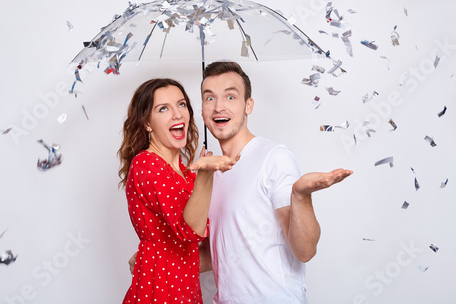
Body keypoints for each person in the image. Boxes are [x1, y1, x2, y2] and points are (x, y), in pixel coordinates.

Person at [198, 61, 353, 303]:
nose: (219, 107)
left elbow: (305, 250)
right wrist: (155, 260)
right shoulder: (209, 174)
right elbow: (216, 253)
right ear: (202, 109)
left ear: (248, 105)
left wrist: (301, 196)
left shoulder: (273, 157)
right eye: (210, 98)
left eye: (230, 97)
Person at [118, 78, 238, 304]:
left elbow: (204, 240)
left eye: (182, 104)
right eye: (163, 108)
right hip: (159, 291)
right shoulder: (146, 164)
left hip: (186, 290)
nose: (177, 114)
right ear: (147, 123)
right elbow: (190, 231)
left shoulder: (187, 173)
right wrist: (205, 175)